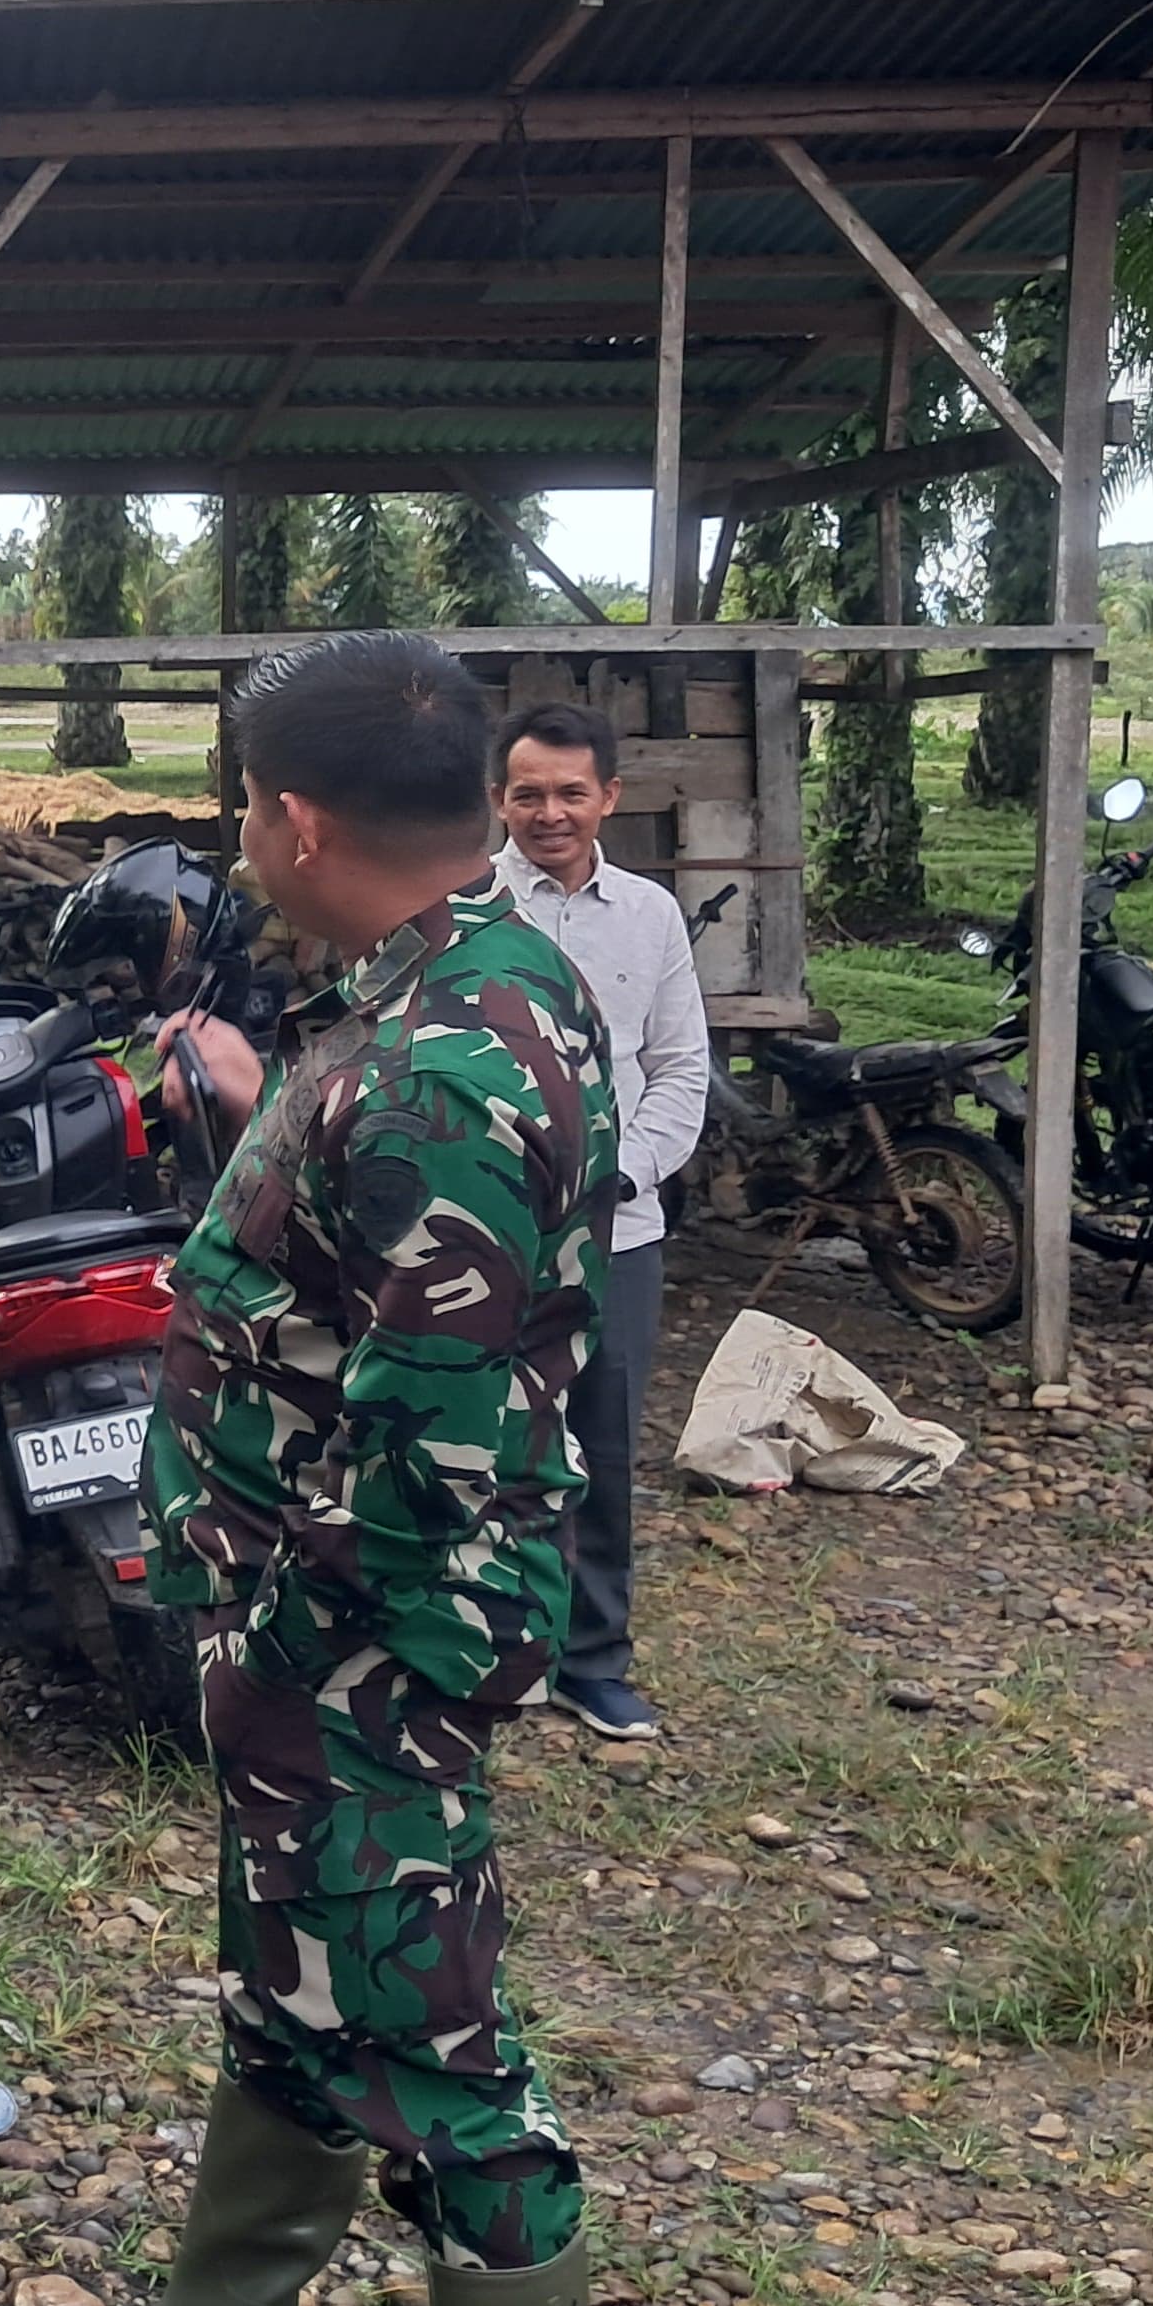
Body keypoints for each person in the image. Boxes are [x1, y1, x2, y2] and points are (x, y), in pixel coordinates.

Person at [10, 634, 612, 2306]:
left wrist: (288, 1645)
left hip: (365, 1647)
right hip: (305, 1641)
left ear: (290, 815)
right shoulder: (444, 989)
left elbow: (441, 1453)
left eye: (238, 812)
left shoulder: (443, 1056)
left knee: (443, 2064)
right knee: (289, 1985)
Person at [490, 700, 714, 1745]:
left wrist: (619, 1177)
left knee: (601, 1445)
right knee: (475, 1439)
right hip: (478, 1233)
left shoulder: (650, 916)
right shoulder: (462, 906)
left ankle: (592, 1659)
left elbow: (679, 1069)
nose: (549, 813)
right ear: (500, 799)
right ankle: (485, 1649)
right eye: (528, 792)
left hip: (616, 1233)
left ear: (608, 799)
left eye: (570, 793)